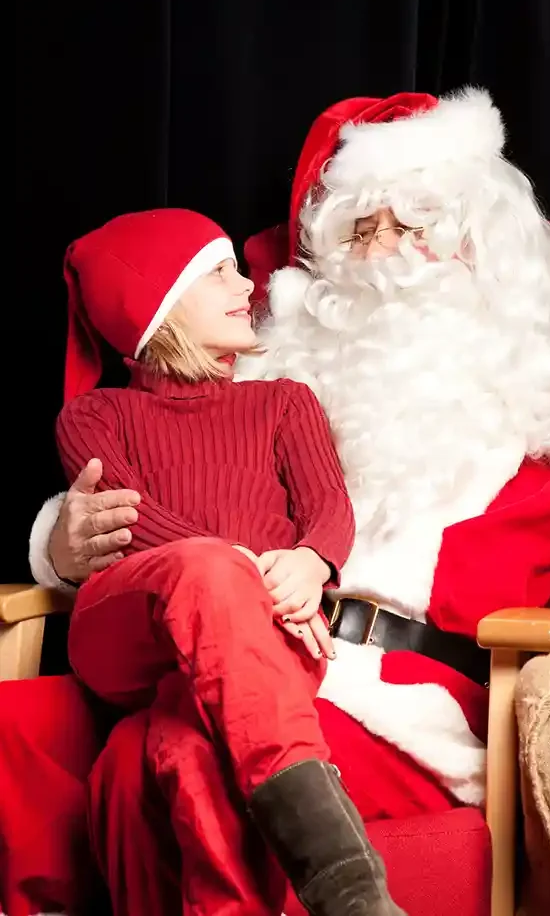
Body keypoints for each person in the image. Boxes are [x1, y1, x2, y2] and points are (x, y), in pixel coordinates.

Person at [2, 88, 550, 916]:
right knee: (136, 758)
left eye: (418, 227)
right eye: (364, 232)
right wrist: (65, 544)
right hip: (236, 653)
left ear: (484, 251)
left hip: (412, 700)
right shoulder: (271, 393)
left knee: (177, 754)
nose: (388, 254)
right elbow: (157, 504)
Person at [43, 204, 407, 916]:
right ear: (161, 306)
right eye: (219, 273)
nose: (248, 287)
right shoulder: (96, 416)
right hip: (133, 633)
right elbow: (131, 518)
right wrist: (240, 568)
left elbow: (328, 508)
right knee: (207, 569)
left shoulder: (283, 403)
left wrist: (312, 564)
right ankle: (350, 888)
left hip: (263, 638)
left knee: (167, 751)